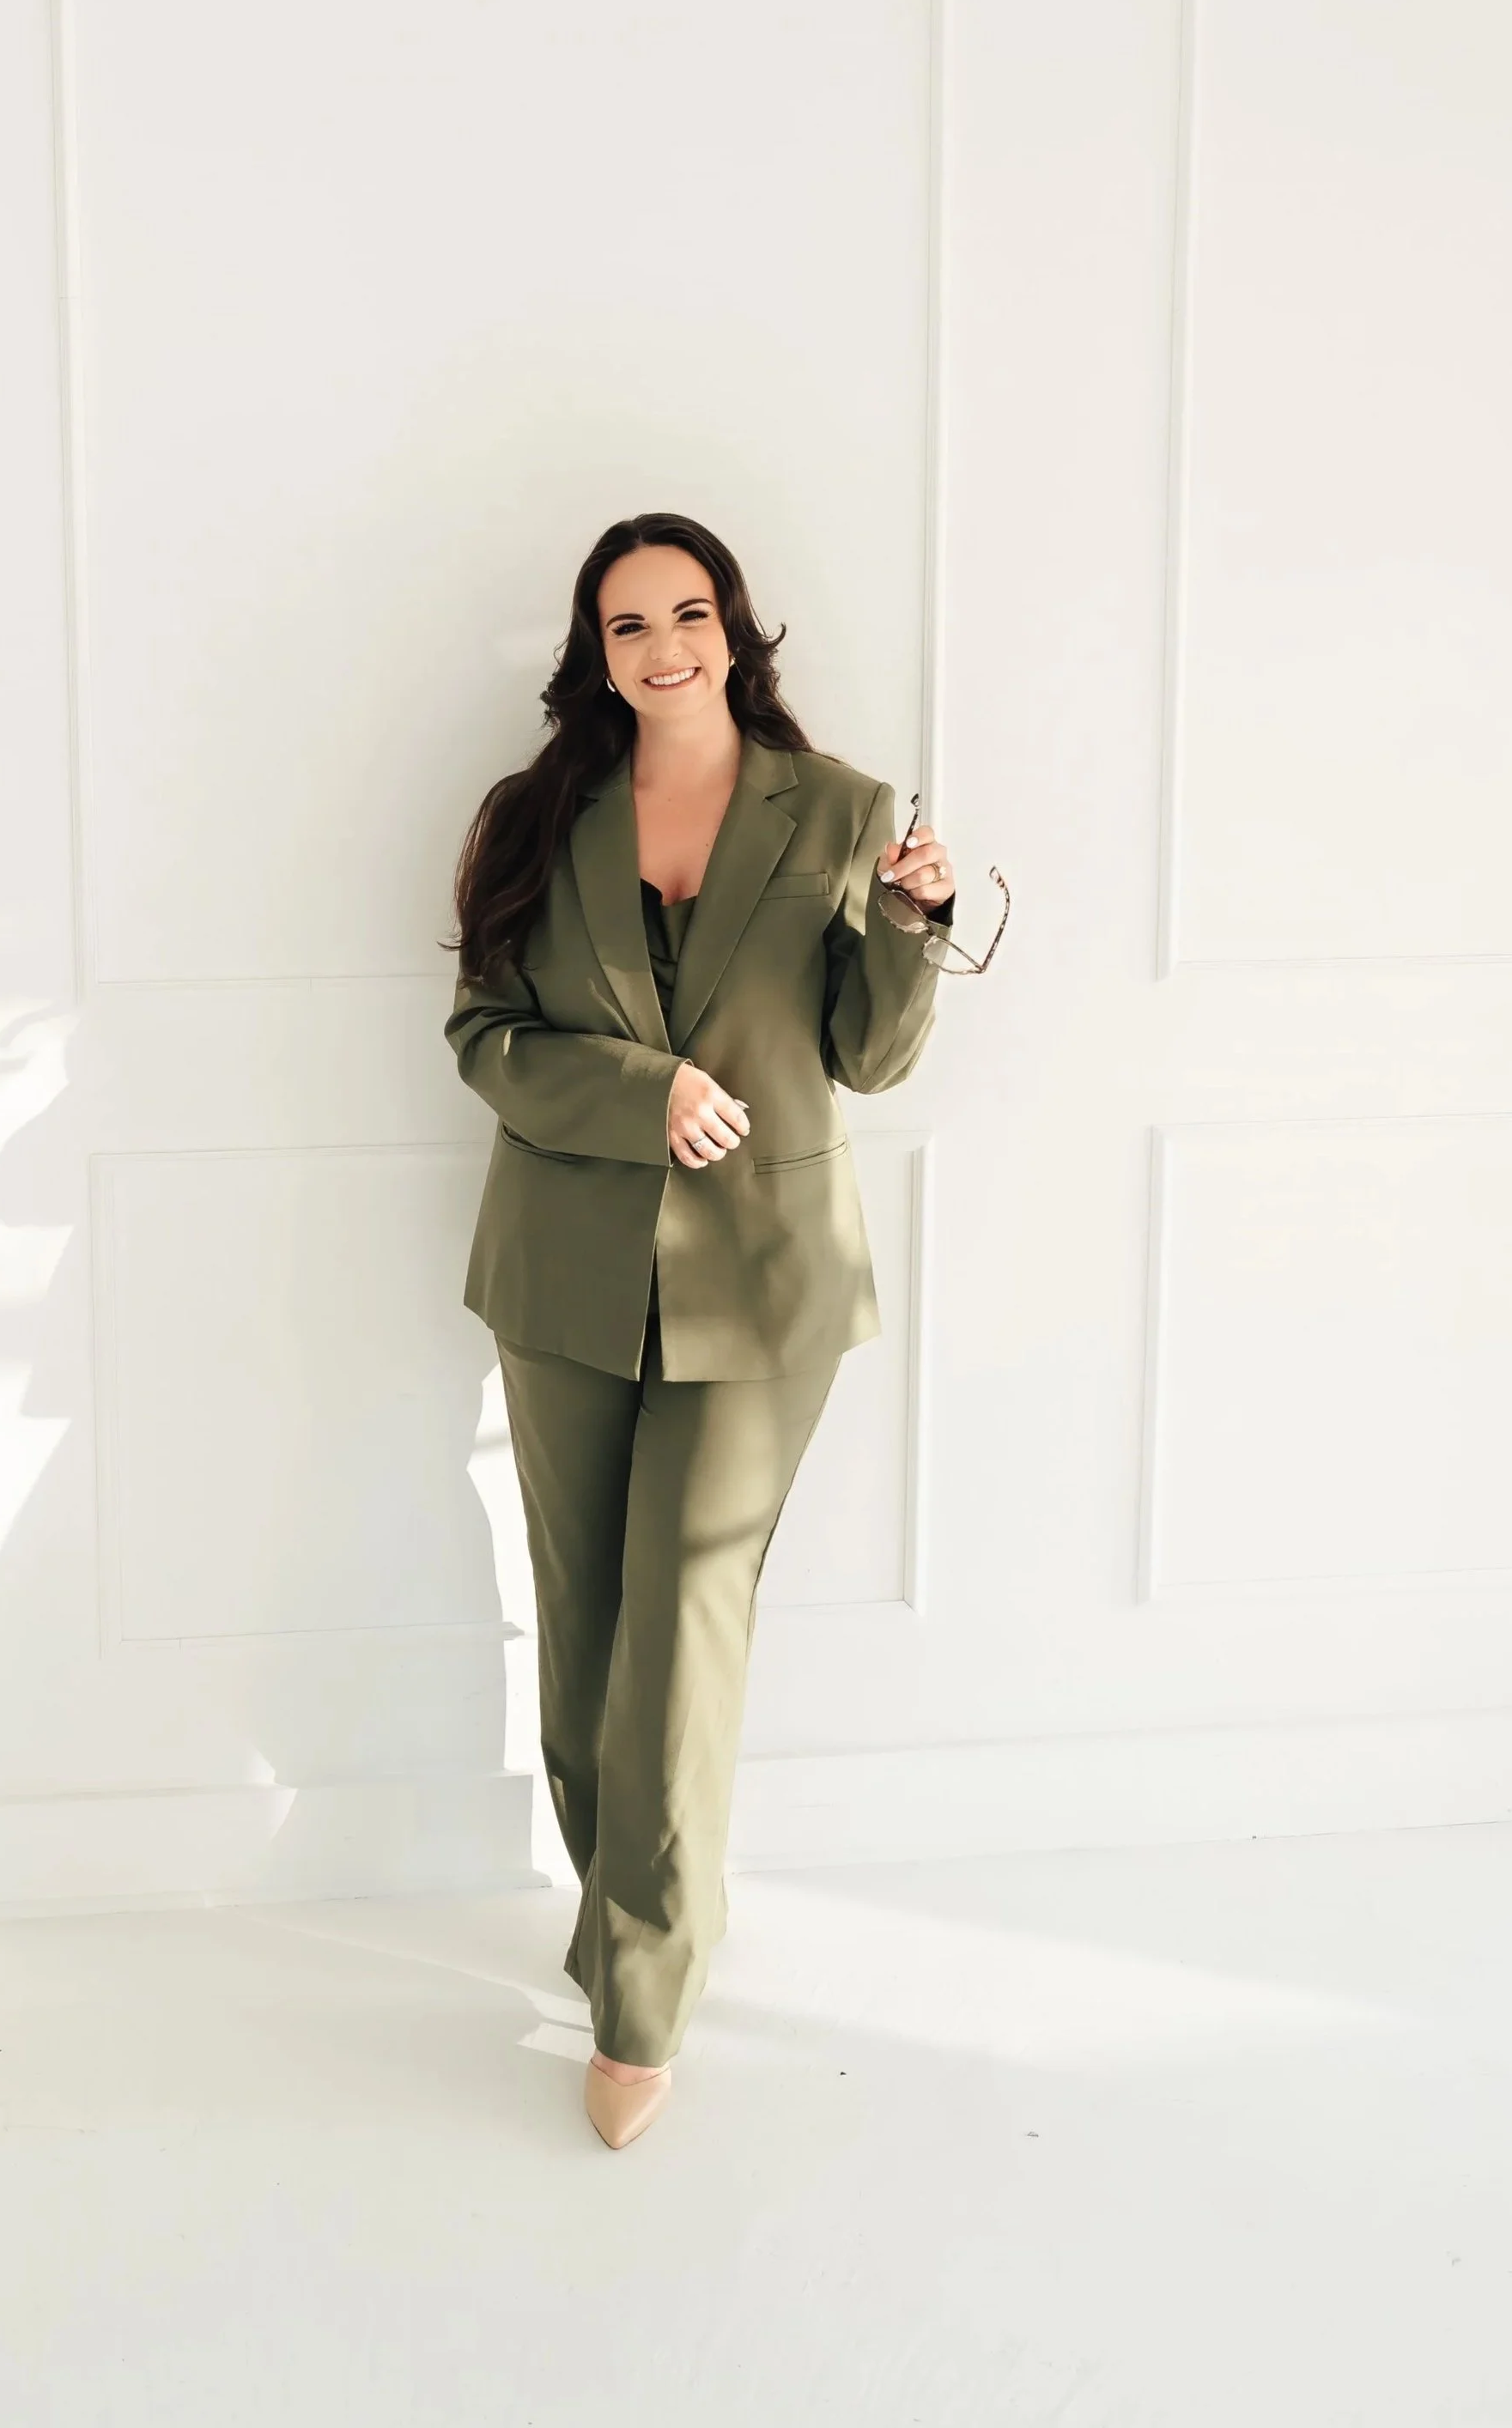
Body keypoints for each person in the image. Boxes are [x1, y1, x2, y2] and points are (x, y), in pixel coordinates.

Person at [443, 512, 958, 2149]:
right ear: (593, 654)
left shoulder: (847, 812)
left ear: (734, 626)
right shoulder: (535, 818)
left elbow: (869, 1063)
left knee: (681, 1619)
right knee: (587, 1624)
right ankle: (631, 1916)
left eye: (687, 613)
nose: (662, 646)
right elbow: (485, 1037)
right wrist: (639, 1092)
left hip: (765, 1279)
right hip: (564, 1272)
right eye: (626, 625)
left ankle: (641, 1993)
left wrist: (906, 926)